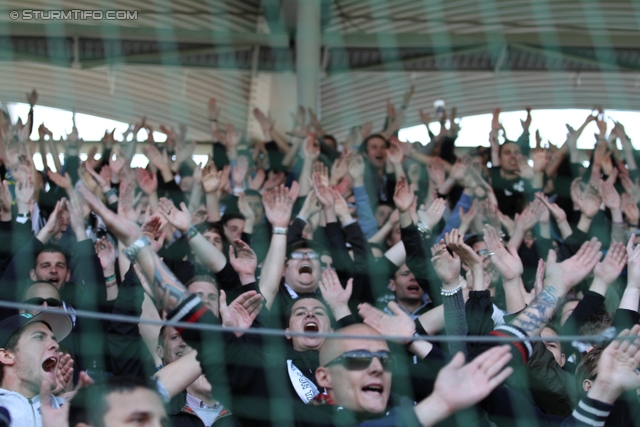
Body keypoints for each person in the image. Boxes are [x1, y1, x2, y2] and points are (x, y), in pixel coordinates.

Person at [0, 311, 72, 427]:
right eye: (39, 337)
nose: (55, 345)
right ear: (6, 356)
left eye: (54, 339)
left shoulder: (70, 412)